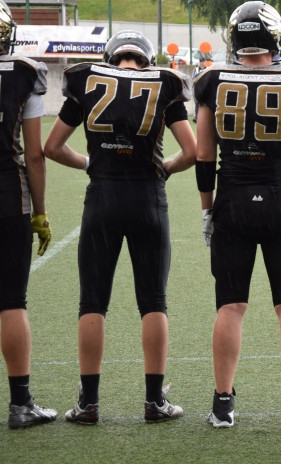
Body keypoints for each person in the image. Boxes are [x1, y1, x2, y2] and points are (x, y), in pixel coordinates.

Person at [44, 31, 195, 425]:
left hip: (103, 198)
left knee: (92, 301)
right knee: (153, 301)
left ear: (111, 58)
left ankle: (89, 403)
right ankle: (153, 402)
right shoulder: (165, 84)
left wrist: (89, 163)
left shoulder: (89, 82)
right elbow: (194, 151)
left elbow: (53, 146)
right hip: (147, 198)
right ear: (145, 60)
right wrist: (166, 168)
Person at [193, 1, 281, 428]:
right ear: (274, 38)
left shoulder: (211, 80)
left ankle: (223, 404)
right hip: (280, 198)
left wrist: (207, 208)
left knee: (230, 306)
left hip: (231, 198)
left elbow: (203, 153)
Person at [0, 0, 57, 429]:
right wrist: (40, 212)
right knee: (11, 301)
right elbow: (34, 155)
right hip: (7, 195)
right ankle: (20, 404)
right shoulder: (24, 72)